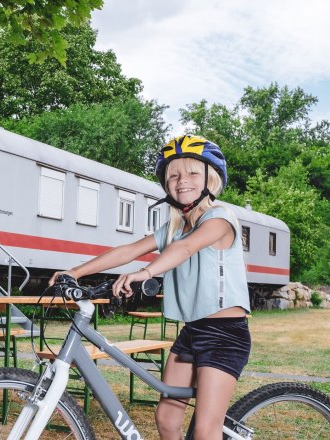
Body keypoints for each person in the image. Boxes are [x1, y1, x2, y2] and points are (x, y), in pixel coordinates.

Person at [50, 135, 251, 439]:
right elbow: (129, 250)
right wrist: (75, 271)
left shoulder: (220, 219)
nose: (182, 180)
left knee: (205, 431)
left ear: (211, 180)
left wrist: (145, 272)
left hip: (225, 334)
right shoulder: (173, 227)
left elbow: (184, 250)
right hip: (192, 332)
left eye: (193, 173)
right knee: (167, 419)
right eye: (174, 175)